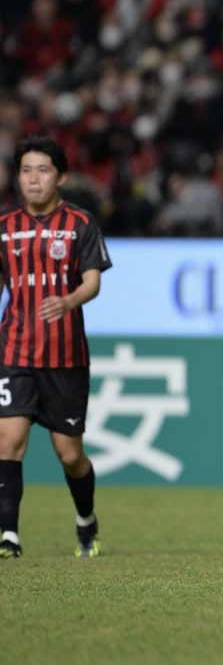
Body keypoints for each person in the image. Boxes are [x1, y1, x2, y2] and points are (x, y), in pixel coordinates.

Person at [0, 136, 113, 559]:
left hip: (65, 356)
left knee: (70, 454)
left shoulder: (80, 223)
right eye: (26, 170)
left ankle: (86, 519)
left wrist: (68, 301)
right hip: (13, 350)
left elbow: (93, 282)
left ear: (60, 177)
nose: (33, 179)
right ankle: (8, 535)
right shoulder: (4, 228)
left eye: (43, 170)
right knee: (8, 441)